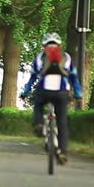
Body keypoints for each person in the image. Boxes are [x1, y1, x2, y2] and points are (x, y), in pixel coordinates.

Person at [20, 32, 82, 164]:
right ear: (59, 45)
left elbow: (32, 78)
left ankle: (39, 124)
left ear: (44, 46)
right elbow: (74, 78)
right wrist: (78, 94)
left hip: (44, 91)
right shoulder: (66, 57)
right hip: (61, 93)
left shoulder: (40, 58)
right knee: (62, 123)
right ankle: (63, 152)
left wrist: (25, 93)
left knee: (38, 105)